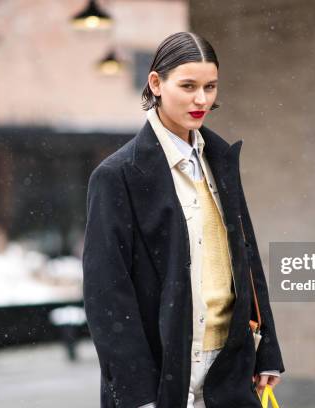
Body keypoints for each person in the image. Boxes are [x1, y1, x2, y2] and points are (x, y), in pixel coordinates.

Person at [82, 31, 284, 408]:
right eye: (188, 85)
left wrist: (268, 348)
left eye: (210, 86)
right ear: (155, 83)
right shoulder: (116, 176)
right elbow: (107, 293)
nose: (201, 99)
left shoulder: (220, 159)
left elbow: (246, 256)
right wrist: (137, 393)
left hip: (231, 368)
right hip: (163, 375)